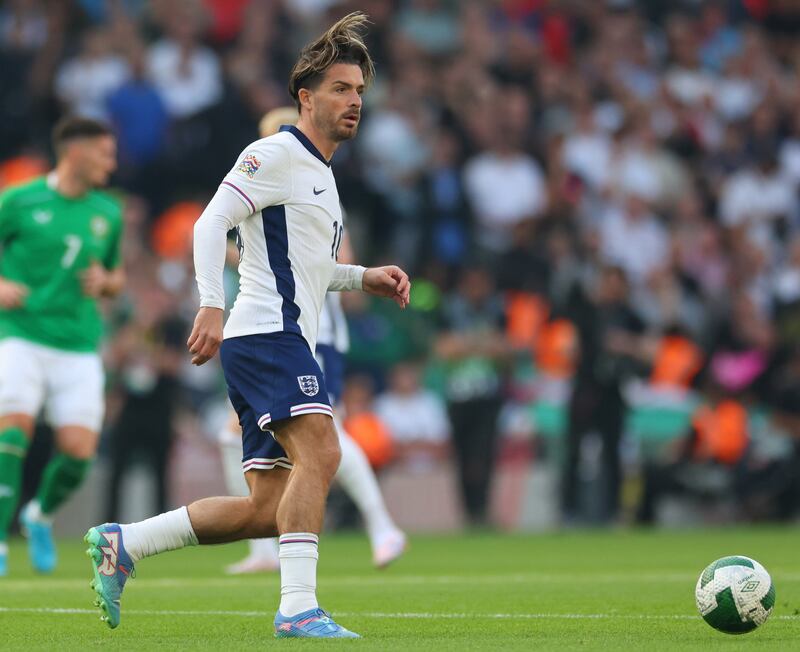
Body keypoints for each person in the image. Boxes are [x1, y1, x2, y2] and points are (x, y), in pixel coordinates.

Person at [84, 13, 410, 639]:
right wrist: (211, 303)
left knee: (266, 510)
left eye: (361, 92)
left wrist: (362, 275)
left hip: (278, 336)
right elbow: (210, 224)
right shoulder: (276, 152)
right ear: (305, 97)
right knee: (324, 450)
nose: (354, 102)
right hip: (266, 336)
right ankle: (298, 608)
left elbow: (309, 271)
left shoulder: (322, 174)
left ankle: (124, 543)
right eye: (341, 89)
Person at [218, 106, 406, 575]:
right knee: (242, 436)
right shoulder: (273, 182)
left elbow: (328, 263)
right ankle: (270, 549)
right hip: (274, 330)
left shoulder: (313, 185)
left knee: (326, 438)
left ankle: (381, 526)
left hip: (311, 332)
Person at [0, 117, 124, 577]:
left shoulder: (107, 212)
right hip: (21, 334)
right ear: (75, 152)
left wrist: (106, 281)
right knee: (12, 431)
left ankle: (39, 517)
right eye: (104, 153)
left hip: (77, 343)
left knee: (78, 453)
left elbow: (116, 276)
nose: (111, 164)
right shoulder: (18, 199)